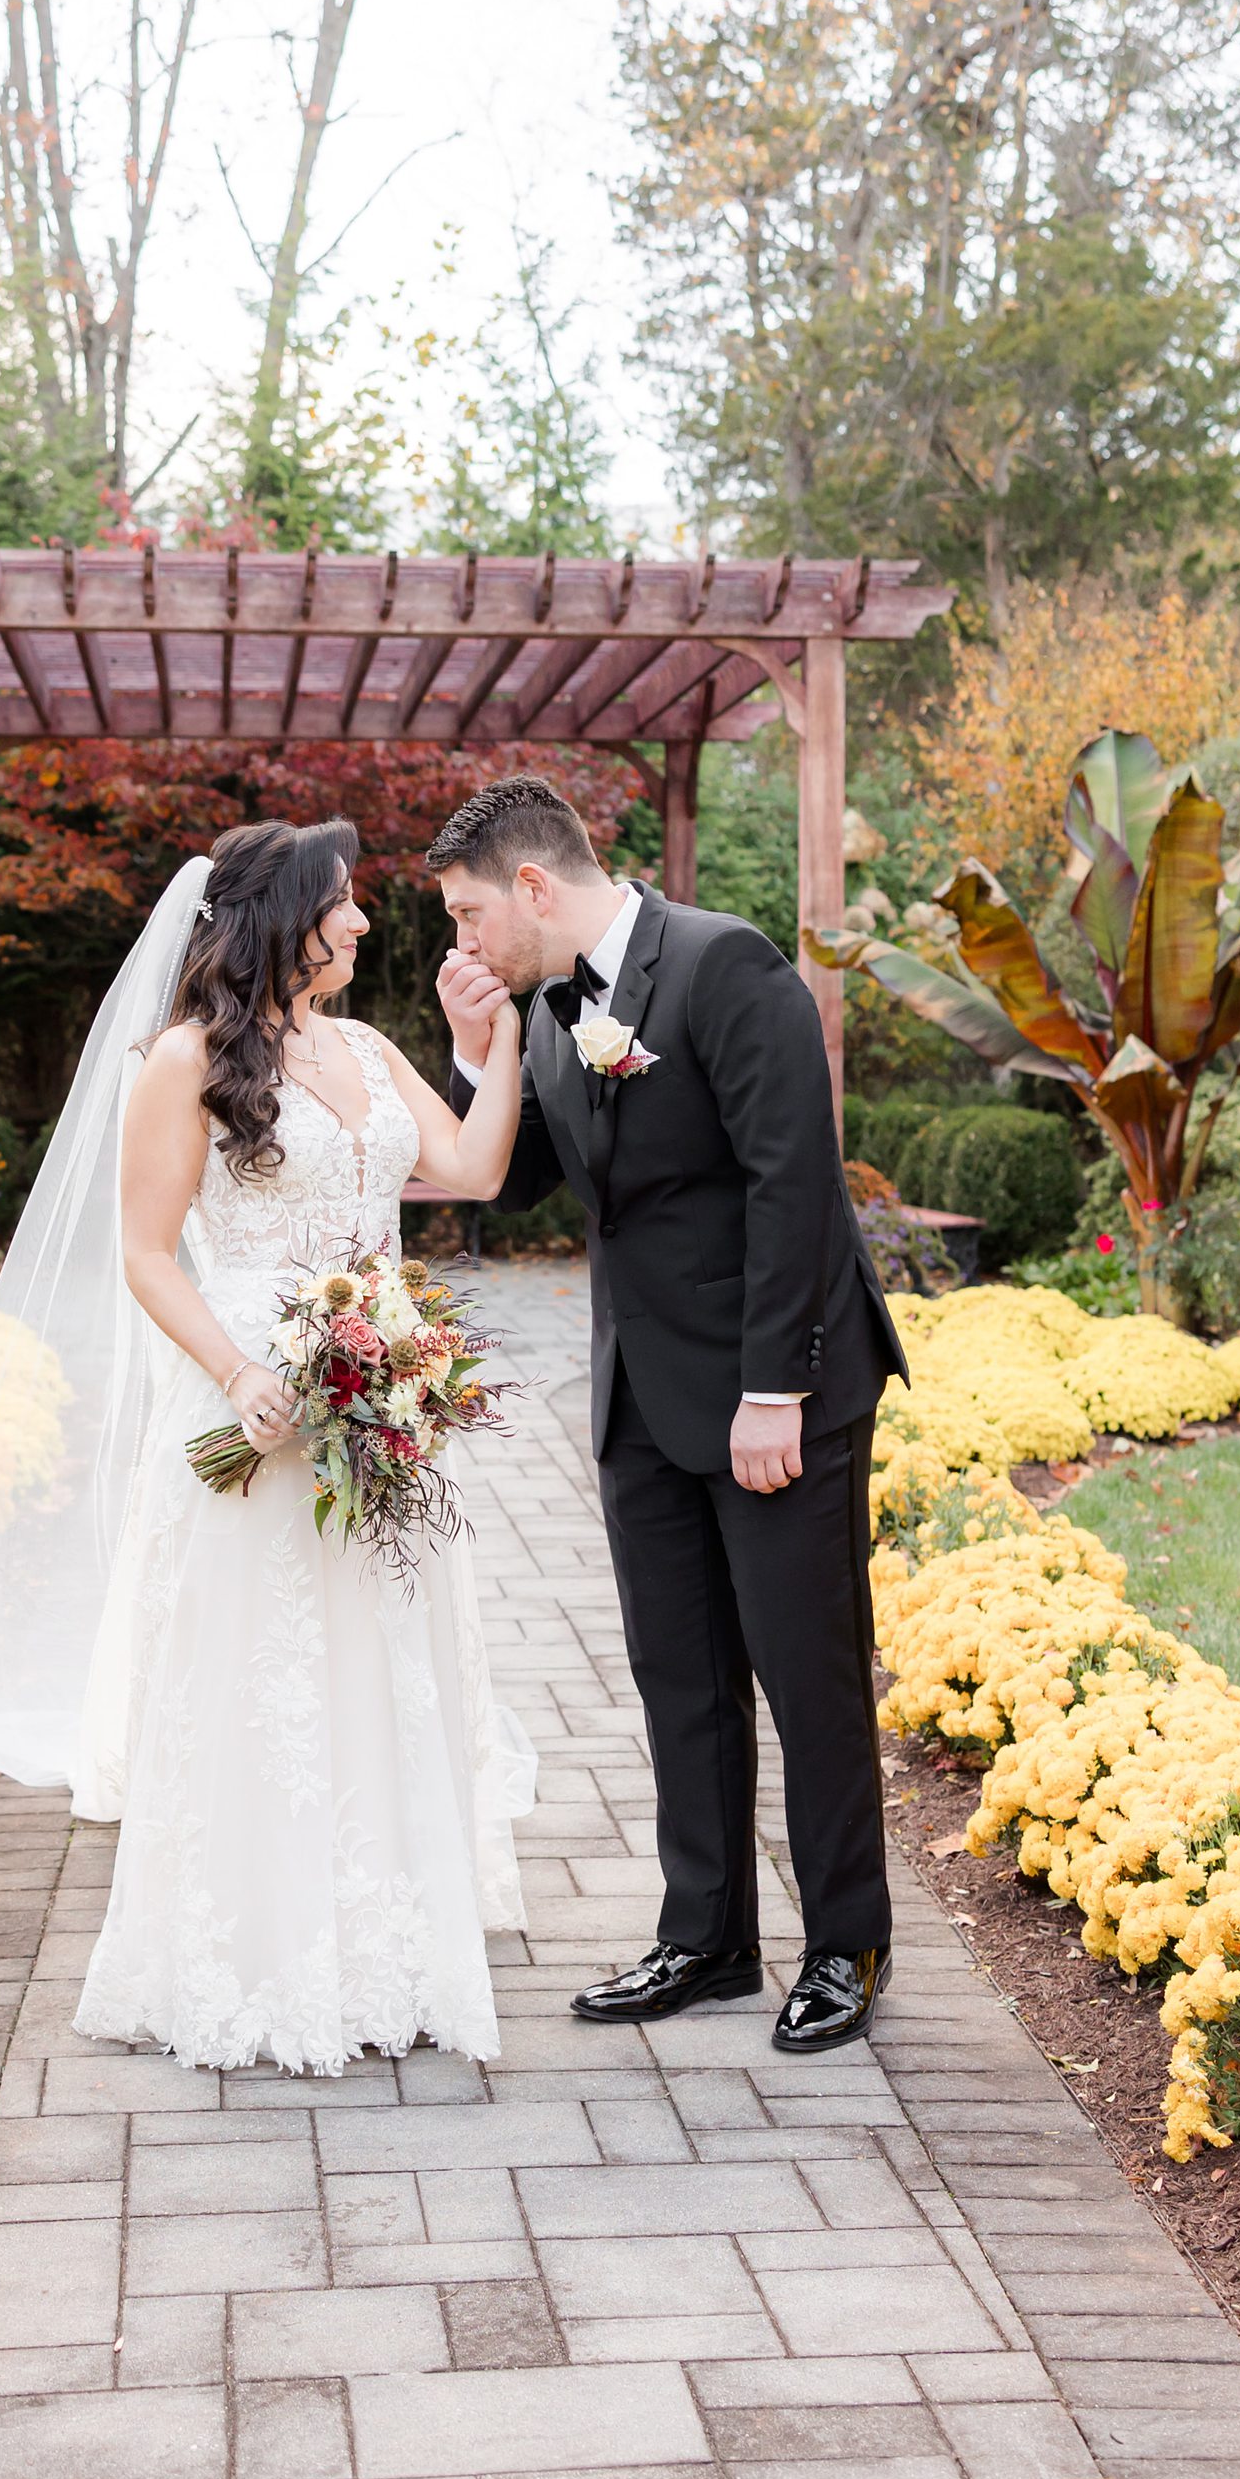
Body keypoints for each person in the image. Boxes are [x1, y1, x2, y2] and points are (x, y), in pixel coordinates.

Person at [0, 820, 534, 2075]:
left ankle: (388, 1946)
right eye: (341, 903)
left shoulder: (365, 1045)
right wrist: (246, 1370)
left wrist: (495, 1045)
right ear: (274, 918)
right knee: (263, 1674)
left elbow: (470, 1164)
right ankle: (253, 1957)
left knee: (381, 1660)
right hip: (250, 1405)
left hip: (383, 1395)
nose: (362, 923)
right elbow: (147, 1254)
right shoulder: (183, 1062)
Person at [430, 773, 906, 2052]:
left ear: (534, 887)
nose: (464, 946)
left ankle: (848, 1946)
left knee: (806, 1676)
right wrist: (478, 1052)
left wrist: (776, 1390)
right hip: (638, 1391)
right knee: (676, 1677)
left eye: (472, 918)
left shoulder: (724, 966)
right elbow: (519, 1183)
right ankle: (707, 1938)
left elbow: (790, 1188)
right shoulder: (545, 1013)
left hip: (774, 1394)